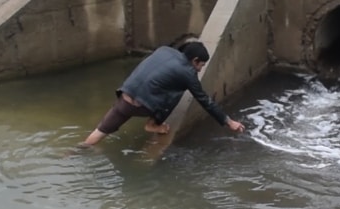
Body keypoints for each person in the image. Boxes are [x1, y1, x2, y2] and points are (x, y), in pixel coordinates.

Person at [81, 41, 245, 146]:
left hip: (125, 96)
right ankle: (152, 124)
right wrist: (228, 122)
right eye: (201, 65)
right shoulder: (188, 73)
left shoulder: (164, 50)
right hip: (141, 106)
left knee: (99, 132)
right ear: (194, 60)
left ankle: (73, 152)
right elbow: (204, 100)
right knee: (179, 90)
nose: (200, 68)